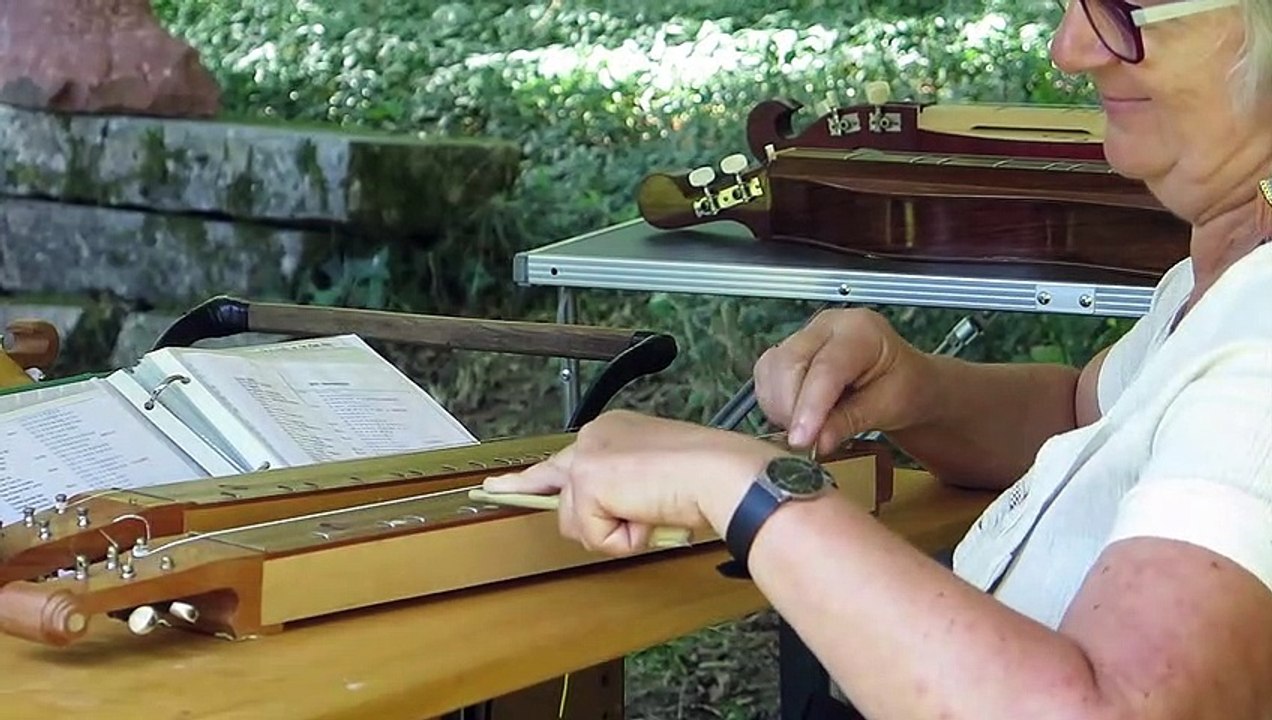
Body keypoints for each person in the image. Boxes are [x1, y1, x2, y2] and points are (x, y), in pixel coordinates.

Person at [483, 0, 1272, 717]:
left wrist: (738, 486)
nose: (1070, 50)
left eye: (1126, 9)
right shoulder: (1217, 283)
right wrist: (918, 387)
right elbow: (1085, 416)